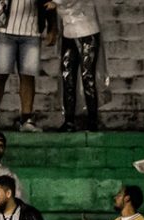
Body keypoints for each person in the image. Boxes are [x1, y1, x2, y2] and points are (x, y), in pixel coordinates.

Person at [0, 0, 44, 133]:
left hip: (32, 29)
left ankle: (26, 118)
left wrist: (52, 27)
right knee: (0, 74)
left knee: (28, 75)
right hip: (4, 28)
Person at [48, 0, 103, 132]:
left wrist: (56, 2)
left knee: (87, 76)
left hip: (87, 31)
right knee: (68, 78)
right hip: (69, 32)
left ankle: (92, 121)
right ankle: (69, 121)